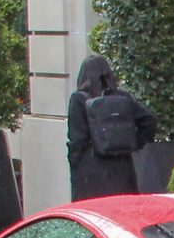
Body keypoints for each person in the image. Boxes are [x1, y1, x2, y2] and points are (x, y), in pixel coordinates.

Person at [66, 55, 156, 200]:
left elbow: (77, 138)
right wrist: (134, 143)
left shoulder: (79, 99)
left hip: (90, 173)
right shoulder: (122, 98)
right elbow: (149, 120)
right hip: (122, 170)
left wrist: (74, 162)